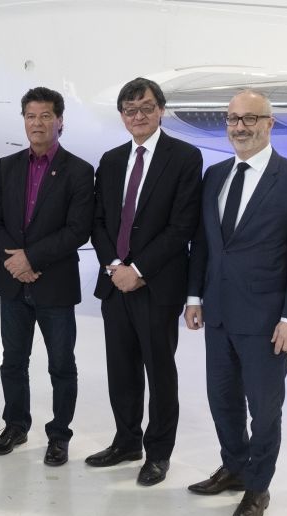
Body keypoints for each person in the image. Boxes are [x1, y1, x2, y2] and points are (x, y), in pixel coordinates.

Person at [184, 89, 287, 516]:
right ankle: (235, 467)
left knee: (264, 409)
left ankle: (258, 486)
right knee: (221, 399)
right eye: (232, 119)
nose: (240, 127)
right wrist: (194, 297)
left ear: (269, 123)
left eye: (250, 119)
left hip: (267, 321)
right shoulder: (216, 175)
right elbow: (204, 244)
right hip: (219, 312)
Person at [87, 77, 202, 486]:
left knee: (159, 371)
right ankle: (126, 441)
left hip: (157, 285)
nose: (138, 116)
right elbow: (99, 220)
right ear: (122, 116)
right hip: (114, 282)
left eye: (146, 108)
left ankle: (157, 454)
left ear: (161, 110)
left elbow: (182, 226)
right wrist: (115, 266)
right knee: (120, 370)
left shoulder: (185, 157)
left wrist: (138, 270)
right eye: (130, 110)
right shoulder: (112, 159)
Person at [0, 87, 94, 466]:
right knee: (13, 360)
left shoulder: (79, 171)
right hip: (12, 284)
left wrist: (31, 257)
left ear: (60, 121)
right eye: (31, 116)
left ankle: (59, 435)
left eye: (46, 116)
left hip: (55, 283)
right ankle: (15, 424)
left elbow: (78, 229)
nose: (38, 123)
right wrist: (14, 261)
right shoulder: (8, 165)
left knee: (61, 364)